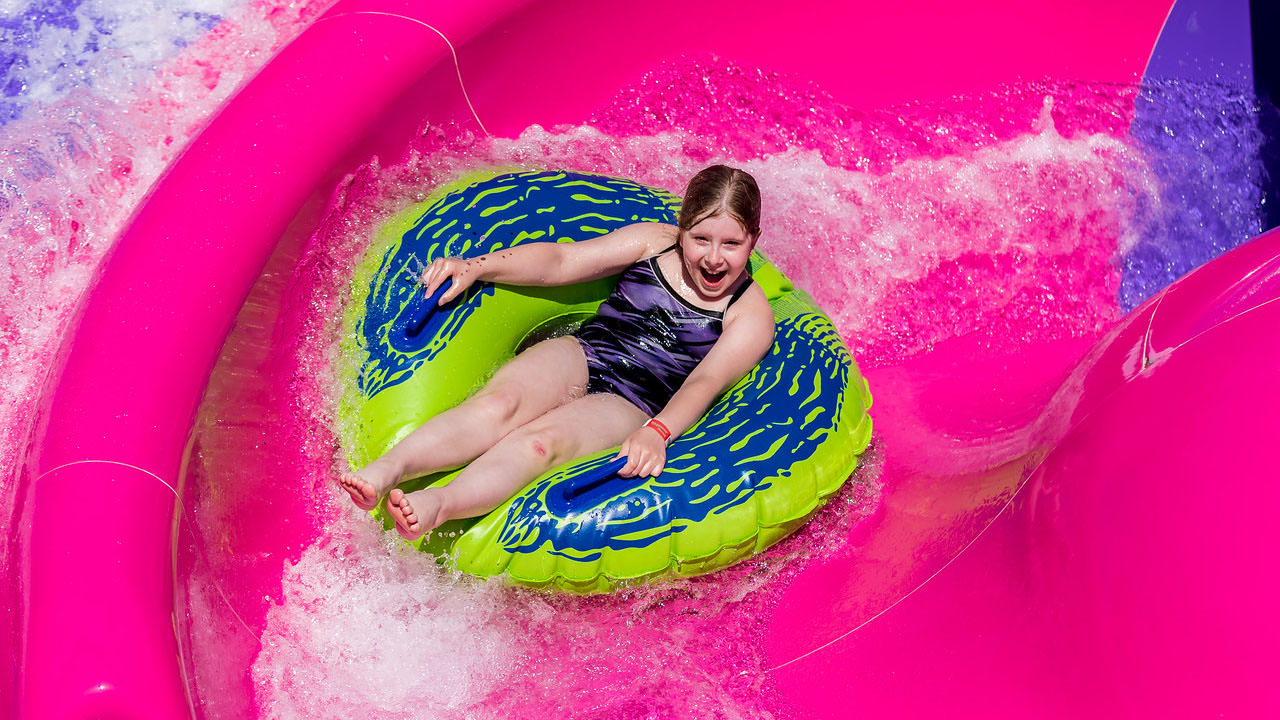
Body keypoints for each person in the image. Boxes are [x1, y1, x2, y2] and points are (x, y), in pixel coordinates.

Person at [338, 165, 776, 541]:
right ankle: (388, 471)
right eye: (701, 239)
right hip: (588, 351)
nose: (714, 258)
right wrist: (476, 267)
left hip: (634, 399)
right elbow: (562, 262)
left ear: (753, 240)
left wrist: (658, 432)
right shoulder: (653, 243)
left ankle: (439, 504)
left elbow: (705, 382)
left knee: (540, 444)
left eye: (731, 245)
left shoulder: (748, 315)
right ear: (682, 228)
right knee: (500, 402)